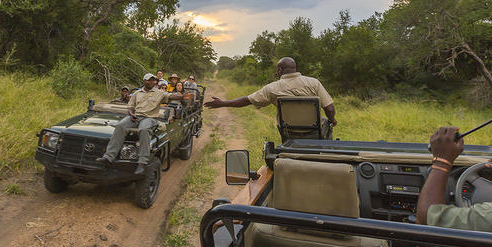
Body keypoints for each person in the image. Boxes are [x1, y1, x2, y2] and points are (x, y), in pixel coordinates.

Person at [204, 57, 337, 137]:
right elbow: (329, 109)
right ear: (295, 68)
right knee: (326, 120)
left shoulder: (272, 88)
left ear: (280, 70)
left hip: (289, 133)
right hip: (315, 133)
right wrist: (332, 120)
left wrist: (223, 103)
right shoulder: (313, 83)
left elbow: (247, 100)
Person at [96, 73, 183, 175]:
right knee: (120, 125)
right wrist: (132, 114)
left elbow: (170, 95)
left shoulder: (159, 92)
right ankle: (109, 157)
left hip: (150, 118)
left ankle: (142, 162)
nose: (152, 82)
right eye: (150, 80)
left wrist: (181, 95)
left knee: (144, 129)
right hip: (136, 116)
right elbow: (130, 107)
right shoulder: (137, 93)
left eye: (154, 80)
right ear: (144, 81)